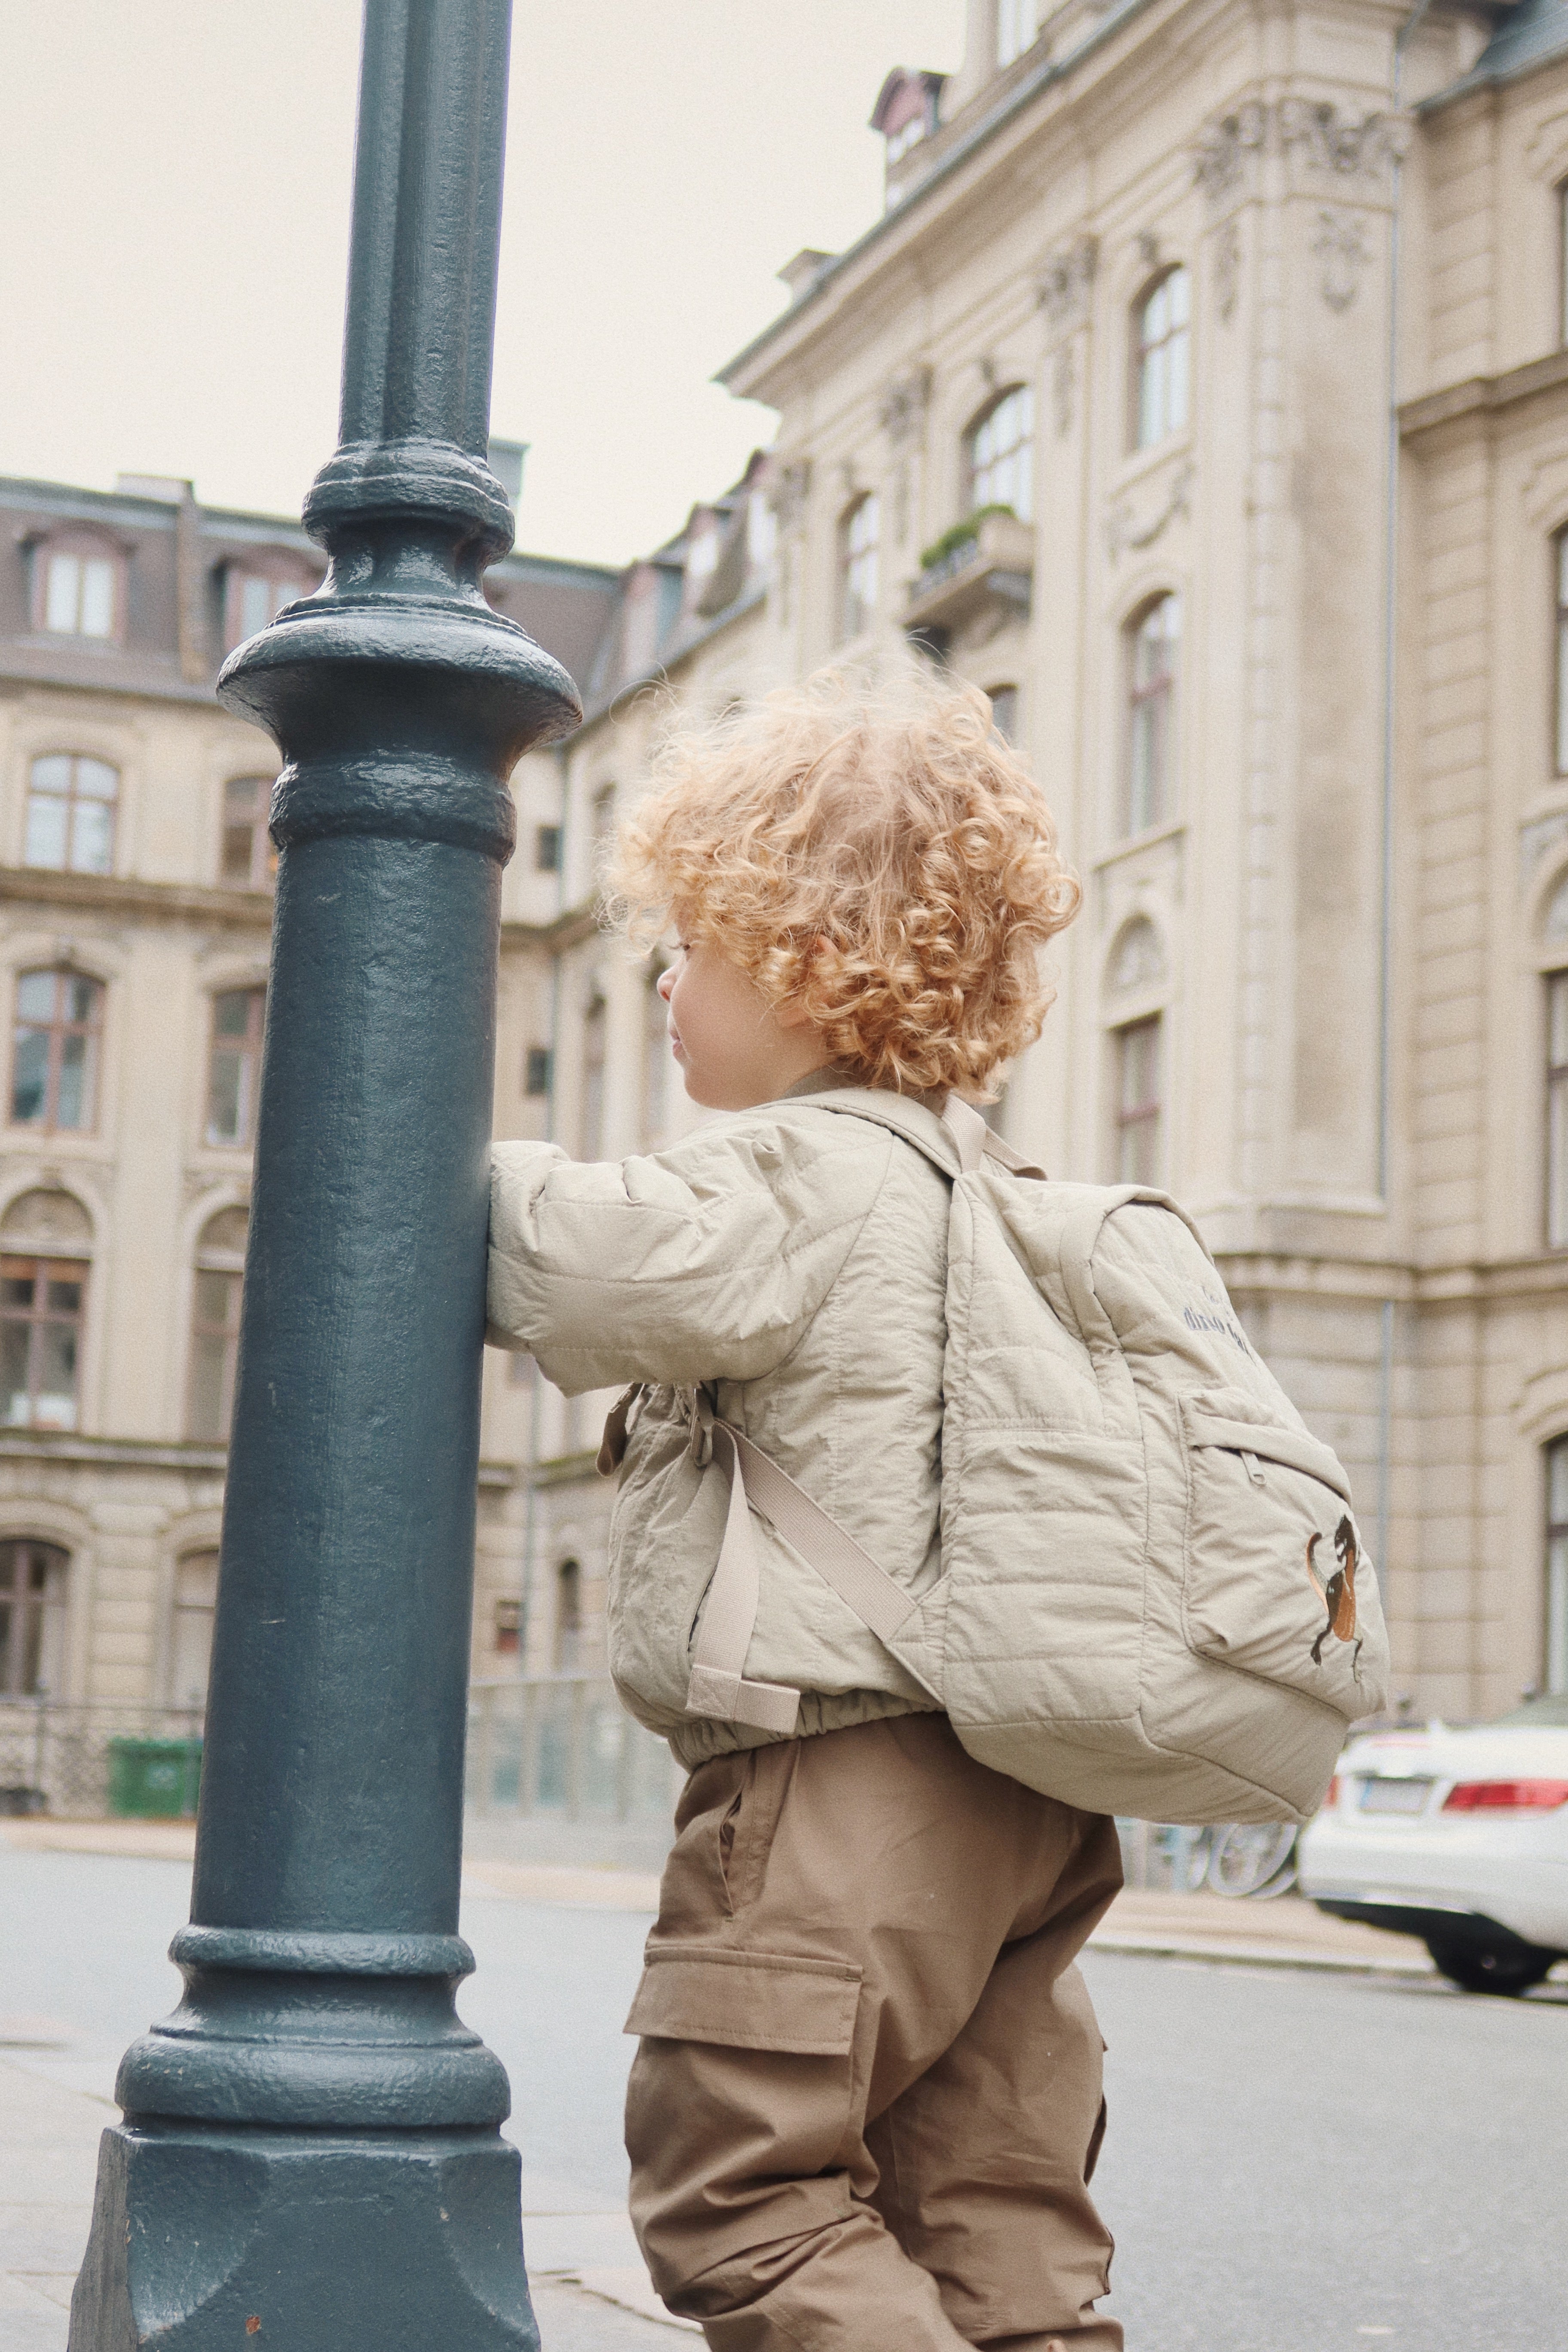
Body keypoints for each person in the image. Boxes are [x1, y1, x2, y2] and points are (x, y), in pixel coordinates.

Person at [486, 669, 1125, 2352]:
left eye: (691, 941)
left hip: (839, 1789)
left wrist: (384, 1129)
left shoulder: (796, 1175)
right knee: (999, 2238)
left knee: (746, 2204)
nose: (667, 979)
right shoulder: (991, 1182)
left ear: (806, 955)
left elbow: (552, 1253)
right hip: (1028, 1798)